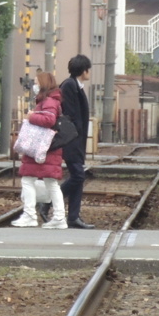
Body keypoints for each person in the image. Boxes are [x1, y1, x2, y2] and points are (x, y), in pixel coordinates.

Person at [11, 70, 68, 229]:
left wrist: (31, 116)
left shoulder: (49, 101)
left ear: (43, 84)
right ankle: (59, 217)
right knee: (51, 183)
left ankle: (30, 215)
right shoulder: (51, 100)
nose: (34, 86)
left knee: (28, 180)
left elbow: (49, 120)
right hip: (47, 148)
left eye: (36, 83)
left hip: (42, 147)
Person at [59, 54, 94, 229]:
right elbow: (71, 114)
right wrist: (77, 133)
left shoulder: (76, 86)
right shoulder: (69, 85)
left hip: (77, 140)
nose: (89, 72)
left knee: (77, 178)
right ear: (83, 70)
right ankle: (50, 201)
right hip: (72, 140)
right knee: (79, 175)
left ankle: (73, 217)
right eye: (88, 69)